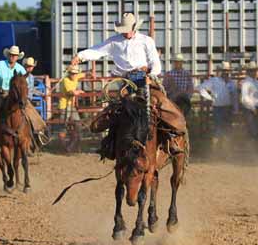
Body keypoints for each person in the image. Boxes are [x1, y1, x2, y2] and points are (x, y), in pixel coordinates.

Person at [70, 13, 187, 157]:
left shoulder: (146, 41)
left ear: (133, 27)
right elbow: (97, 51)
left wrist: (151, 75)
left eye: (127, 29)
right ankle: (111, 143)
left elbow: (155, 62)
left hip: (144, 77)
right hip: (125, 80)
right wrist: (80, 56)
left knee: (159, 105)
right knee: (116, 111)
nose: (125, 32)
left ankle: (171, 138)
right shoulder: (114, 41)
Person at [0, 46, 46, 153]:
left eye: (15, 55)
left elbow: (26, 84)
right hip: (1, 94)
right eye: (11, 55)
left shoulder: (20, 69)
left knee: (33, 116)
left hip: (17, 98)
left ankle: (34, 139)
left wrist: (24, 95)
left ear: (17, 57)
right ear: (8, 55)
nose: (12, 57)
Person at [198, 62, 238, 144]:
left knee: (227, 129)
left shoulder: (231, 83)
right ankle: (216, 150)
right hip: (218, 108)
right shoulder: (214, 80)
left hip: (228, 108)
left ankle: (225, 150)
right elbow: (201, 88)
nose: (226, 73)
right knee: (218, 129)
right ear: (220, 71)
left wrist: (235, 109)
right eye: (224, 71)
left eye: (227, 71)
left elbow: (235, 97)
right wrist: (210, 97)